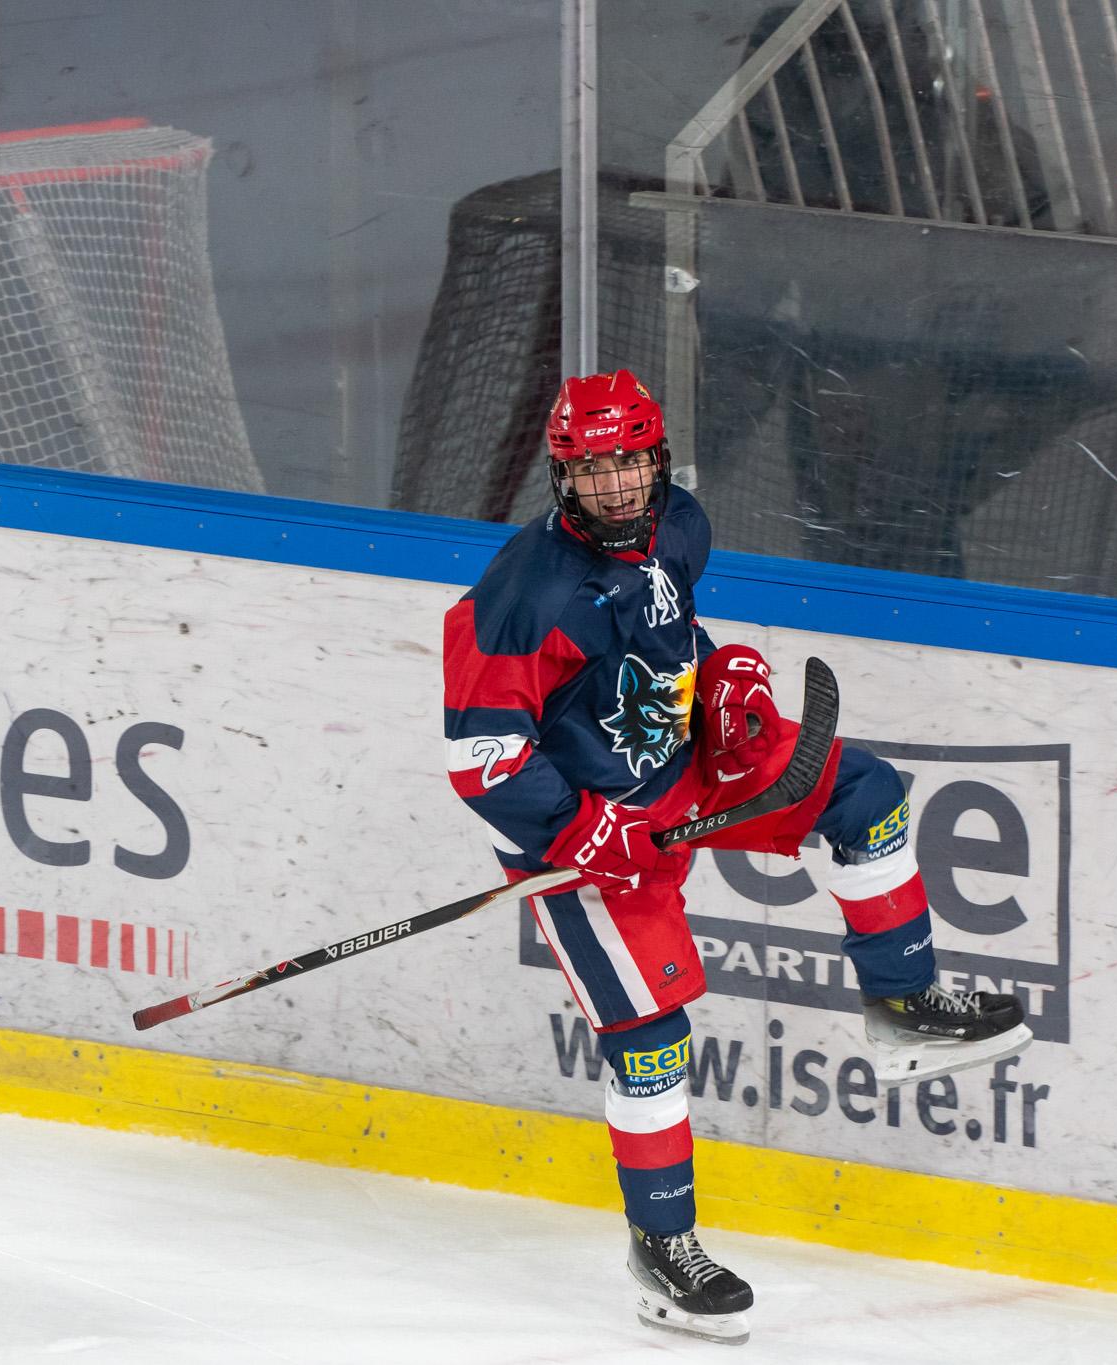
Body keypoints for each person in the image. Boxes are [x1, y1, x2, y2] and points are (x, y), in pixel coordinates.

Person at [441, 368, 1031, 1344]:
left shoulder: (679, 528)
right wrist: (580, 828)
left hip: (684, 773)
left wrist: (727, 678)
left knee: (862, 792)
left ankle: (903, 1005)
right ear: (563, 477)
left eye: (632, 460)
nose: (619, 485)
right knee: (651, 1039)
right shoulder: (521, 595)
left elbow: (671, 643)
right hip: (579, 835)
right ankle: (662, 1247)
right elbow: (480, 755)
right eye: (595, 468)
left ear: (658, 460)